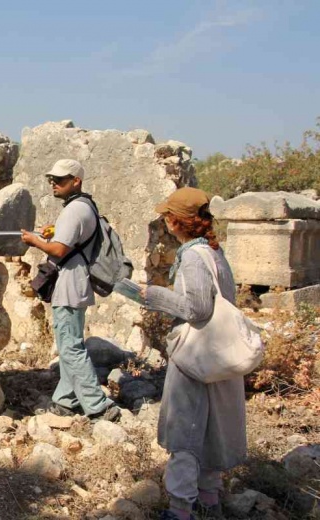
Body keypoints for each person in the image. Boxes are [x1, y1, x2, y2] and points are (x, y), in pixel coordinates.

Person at [140, 187, 246, 520]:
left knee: (184, 430)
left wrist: (151, 296)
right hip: (217, 353)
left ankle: (180, 509)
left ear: (176, 221)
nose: (164, 221)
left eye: (167, 215)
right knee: (211, 427)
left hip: (196, 353)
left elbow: (197, 309)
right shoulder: (214, 251)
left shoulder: (192, 256)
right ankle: (209, 500)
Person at [21, 159, 120, 422]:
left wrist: (35, 241)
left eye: (60, 179)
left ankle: (99, 406)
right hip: (75, 282)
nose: (54, 183)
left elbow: (59, 250)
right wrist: (54, 232)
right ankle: (66, 400)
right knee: (68, 344)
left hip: (69, 284)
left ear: (76, 181)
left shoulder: (74, 210)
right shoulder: (85, 205)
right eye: (51, 179)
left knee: (70, 347)